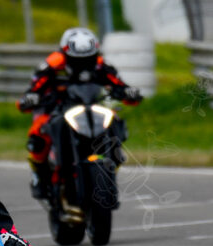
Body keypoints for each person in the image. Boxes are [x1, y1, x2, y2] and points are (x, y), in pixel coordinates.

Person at [17, 27, 143, 200]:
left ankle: (111, 168)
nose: (83, 66)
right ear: (65, 54)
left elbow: (120, 85)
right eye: (77, 61)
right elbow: (32, 89)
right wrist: (30, 98)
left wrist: (129, 93)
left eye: (88, 60)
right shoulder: (51, 65)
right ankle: (39, 174)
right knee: (38, 134)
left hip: (92, 106)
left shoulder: (101, 65)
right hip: (57, 108)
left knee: (114, 120)